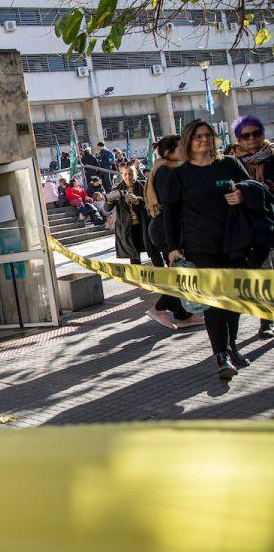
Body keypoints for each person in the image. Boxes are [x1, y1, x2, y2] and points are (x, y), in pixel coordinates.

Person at [162, 120, 252, 379]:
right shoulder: (179, 174)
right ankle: (221, 355)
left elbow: (253, 190)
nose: (203, 140)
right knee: (213, 302)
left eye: (207, 136)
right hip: (199, 246)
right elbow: (170, 214)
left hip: (234, 243)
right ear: (188, 141)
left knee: (233, 299)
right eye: (197, 137)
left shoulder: (229, 164)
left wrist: (242, 195)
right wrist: (172, 248)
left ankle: (233, 347)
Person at [144, 134, 204, 330]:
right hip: (168, 230)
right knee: (183, 272)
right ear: (169, 153)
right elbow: (172, 205)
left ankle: (183, 316)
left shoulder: (166, 168)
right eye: (181, 148)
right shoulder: (166, 172)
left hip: (168, 228)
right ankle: (160, 308)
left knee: (180, 271)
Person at [231, 114, 274, 338]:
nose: (251, 139)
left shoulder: (273, 157)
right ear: (238, 139)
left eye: (256, 133)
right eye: (245, 136)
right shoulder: (232, 162)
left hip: (271, 218)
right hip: (251, 228)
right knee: (263, 274)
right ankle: (266, 321)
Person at [104, 163, 163, 266]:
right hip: (128, 228)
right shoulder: (118, 189)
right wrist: (110, 200)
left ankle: (162, 276)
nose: (128, 177)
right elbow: (107, 208)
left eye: (130, 174)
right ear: (122, 175)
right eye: (125, 174)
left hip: (145, 225)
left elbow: (153, 202)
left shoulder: (144, 185)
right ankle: (138, 280)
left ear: (135, 174)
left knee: (154, 252)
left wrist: (138, 200)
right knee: (134, 257)